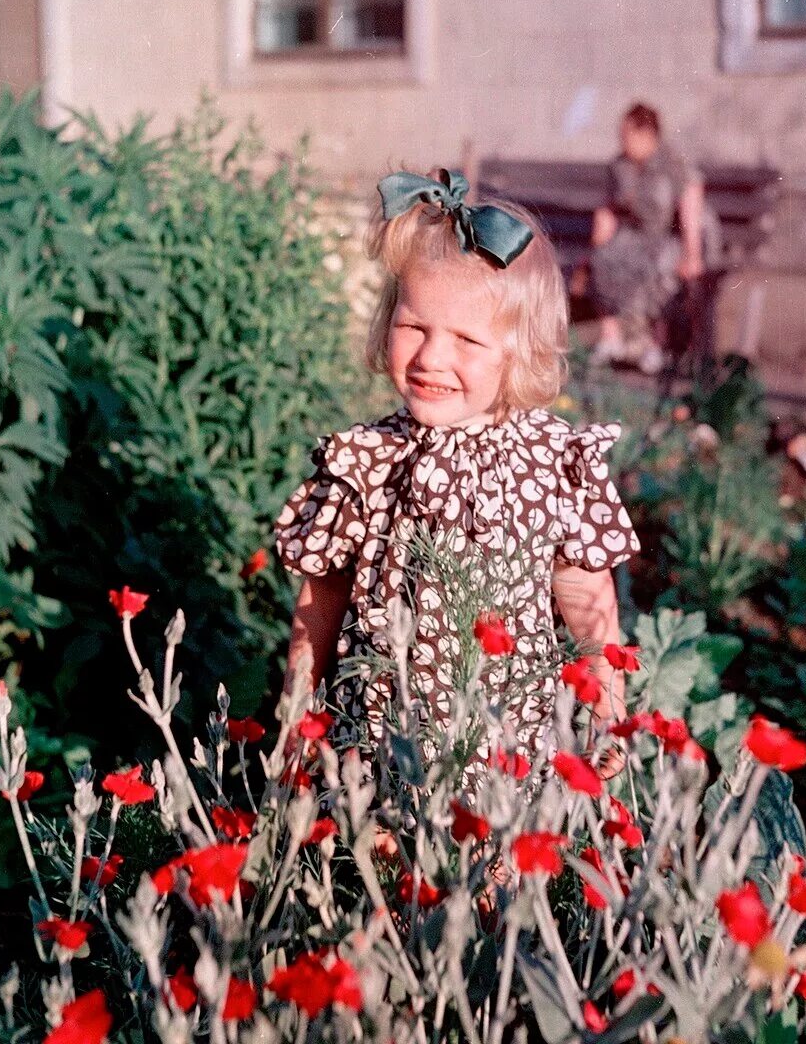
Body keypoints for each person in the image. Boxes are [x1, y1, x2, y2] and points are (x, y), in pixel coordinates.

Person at [274, 167, 640, 774]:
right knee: (377, 864)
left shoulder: (551, 462)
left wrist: (606, 713)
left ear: (520, 352)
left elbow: (586, 600)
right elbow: (324, 597)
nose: (432, 358)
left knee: (486, 866)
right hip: (378, 738)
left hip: (501, 750)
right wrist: (298, 707)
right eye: (413, 327)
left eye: (467, 341)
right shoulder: (368, 460)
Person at [587, 103, 707, 373]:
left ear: (647, 134)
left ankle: (653, 344)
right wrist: (602, 228)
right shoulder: (620, 165)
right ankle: (612, 337)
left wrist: (692, 253)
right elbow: (611, 204)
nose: (622, 141)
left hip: (670, 236)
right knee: (604, 258)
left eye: (627, 135)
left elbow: (690, 207)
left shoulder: (672, 163)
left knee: (658, 267)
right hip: (633, 235)